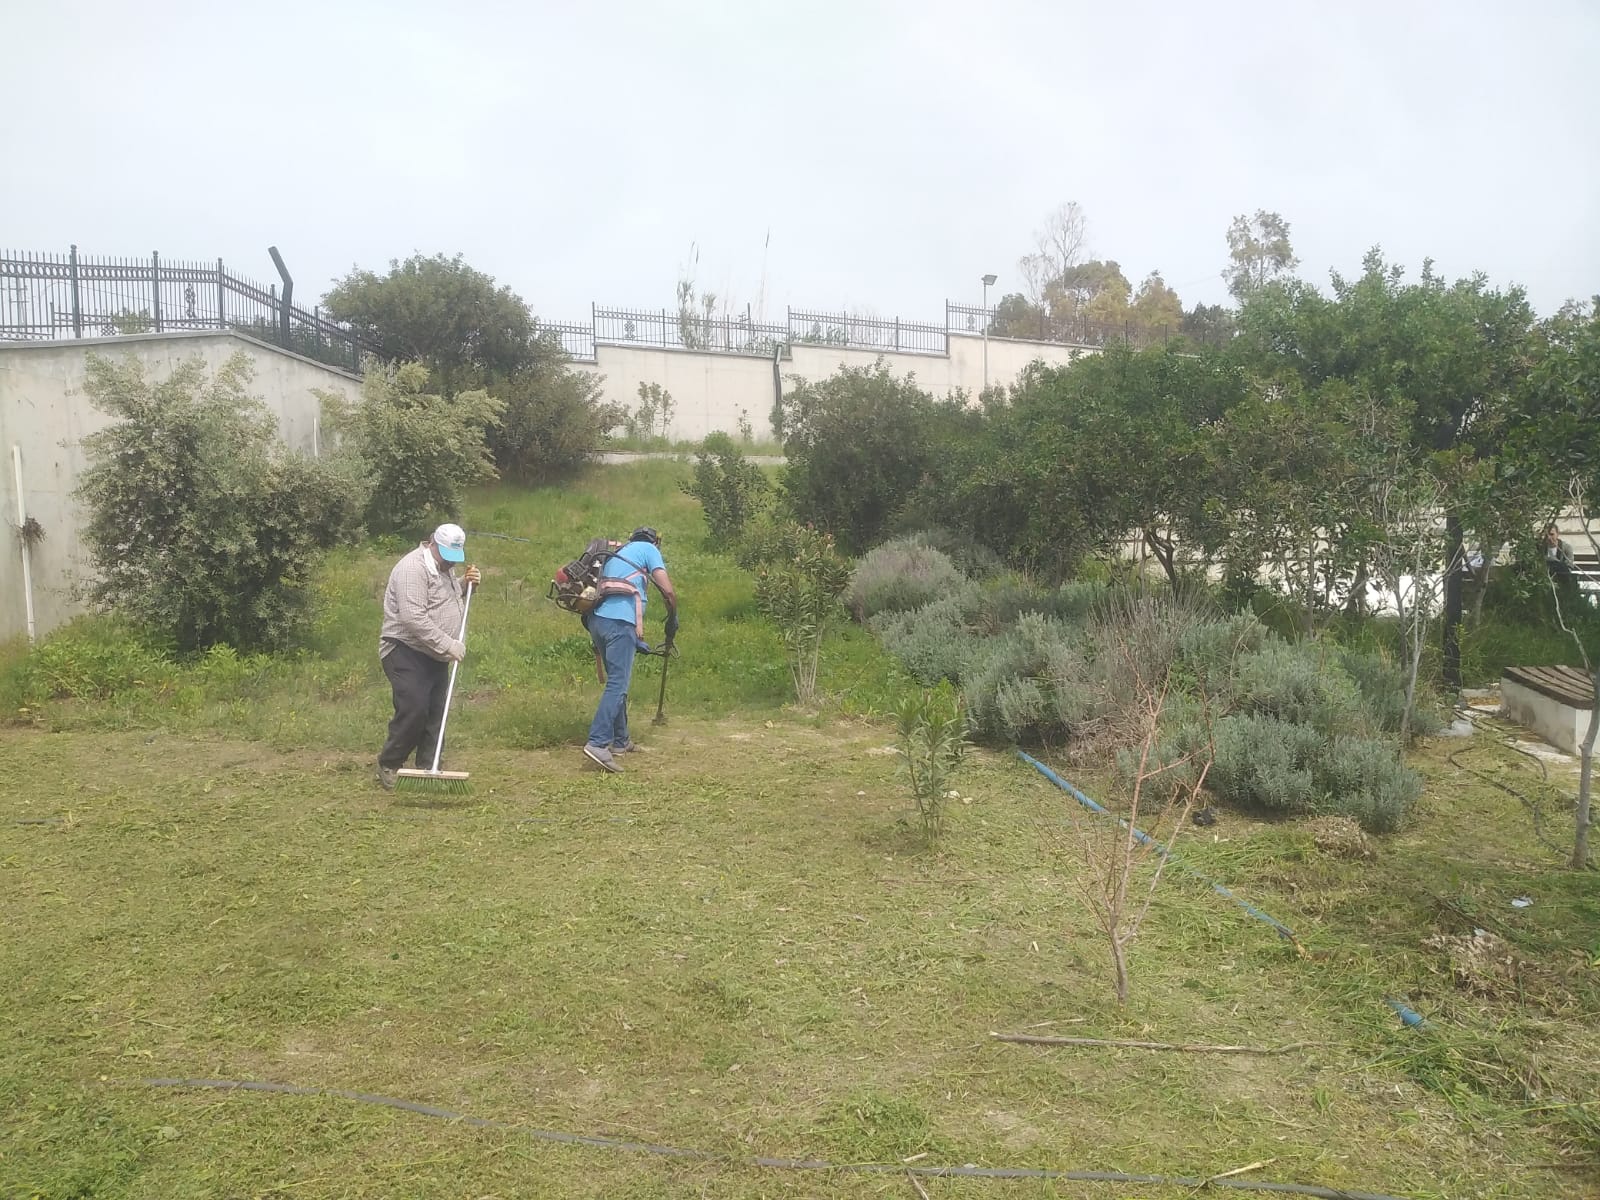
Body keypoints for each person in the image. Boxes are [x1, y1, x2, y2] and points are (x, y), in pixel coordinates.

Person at [376, 523, 481, 790]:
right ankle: (390, 763)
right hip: (405, 650)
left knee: (436, 713)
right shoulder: (413, 568)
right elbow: (414, 618)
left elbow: (441, 599)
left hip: (434, 653)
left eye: (453, 558)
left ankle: (428, 766)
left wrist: (465, 585)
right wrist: (449, 644)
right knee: (415, 709)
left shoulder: (443, 566)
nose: (450, 562)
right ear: (432, 543)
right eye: (446, 555)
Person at [583, 526, 678, 773]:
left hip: (597, 621)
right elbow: (667, 590)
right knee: (618, 683)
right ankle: (597, 742)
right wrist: (673, 615)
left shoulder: (620, 552)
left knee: (617, 680)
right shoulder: (648, 549)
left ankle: (621, 741)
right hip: (619, 622)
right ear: (655, 541)